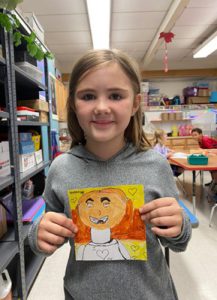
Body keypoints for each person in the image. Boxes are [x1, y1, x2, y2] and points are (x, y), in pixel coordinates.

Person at [28, 49, 192, 300]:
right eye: (88, 96)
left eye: (115, 95)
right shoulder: (61, 169)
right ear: (73, 103)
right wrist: (38, 234)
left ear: (135, 103)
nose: (102, 107)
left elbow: (177, 242)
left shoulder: (155, 165)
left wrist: (179, 226)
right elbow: (49, 230)